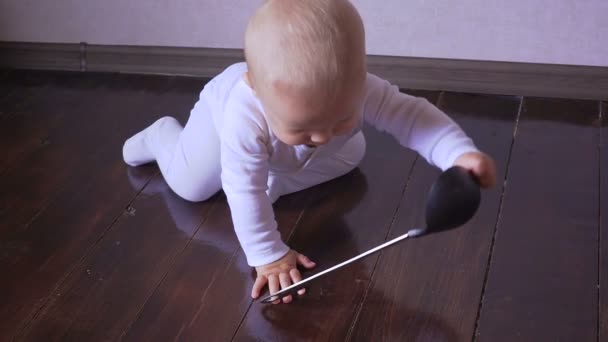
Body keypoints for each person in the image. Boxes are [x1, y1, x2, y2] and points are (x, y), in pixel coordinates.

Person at [122, 0, 497, 304]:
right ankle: (161, 137)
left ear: (359, 74)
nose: (321, 136)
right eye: (303, 127)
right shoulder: (242, 115)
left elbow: (413, 117)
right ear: (258, 91)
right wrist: (267, 252)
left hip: (282, 154)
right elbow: (242, 188)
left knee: (348, 153)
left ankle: (282, 171)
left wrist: (458, 154)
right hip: (217, 129)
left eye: (340, 117)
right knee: (193, 185)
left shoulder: (356, 86)